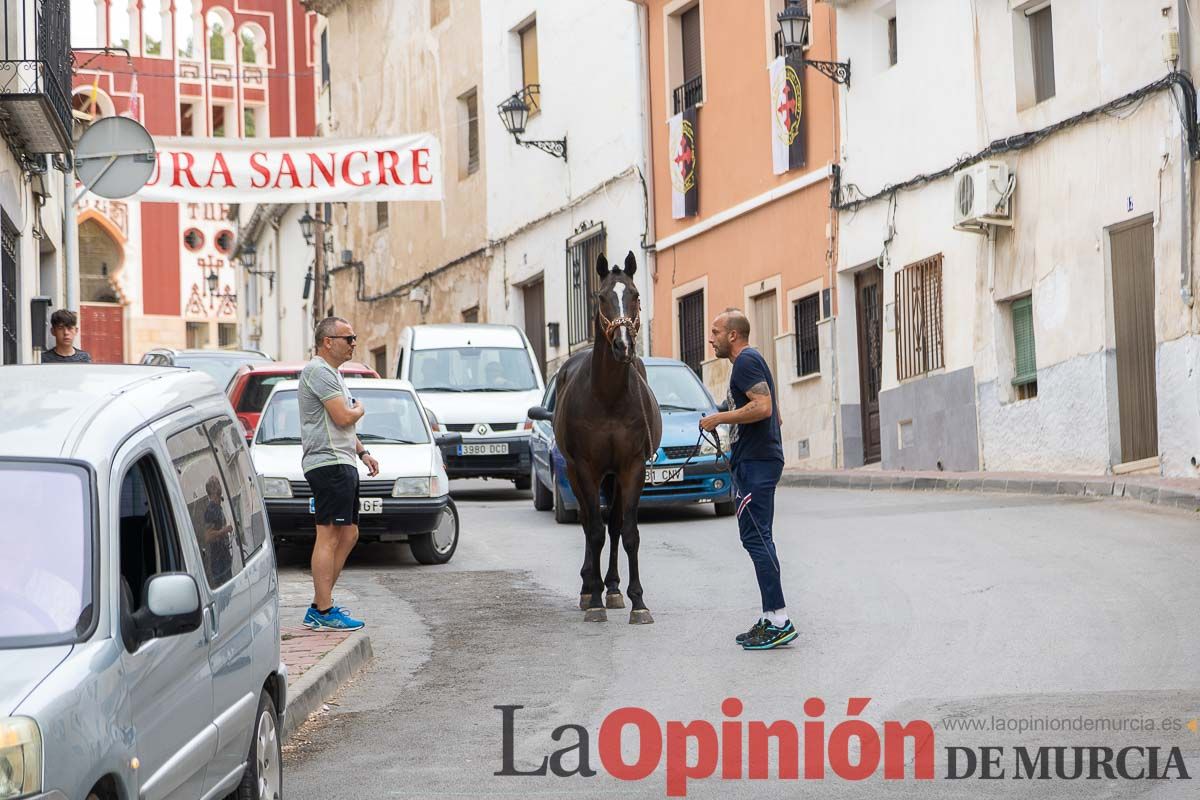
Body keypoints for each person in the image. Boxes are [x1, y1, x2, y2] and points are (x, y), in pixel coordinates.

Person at [699, 308, 795, 651]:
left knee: (758, 539)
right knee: (756, 538)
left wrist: (719, 419)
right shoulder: (750, 364)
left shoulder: (746, 362)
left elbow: (765, 408)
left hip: (758, 464)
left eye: (715, 332)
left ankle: (781, 619)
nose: (710, 339)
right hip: (754, 461)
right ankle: (769, 616)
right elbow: (775, 414)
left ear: (733, 336)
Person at [299, 317, 380, 631]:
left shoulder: (332, 375)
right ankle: (324, 608)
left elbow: (341, 423)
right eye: (348, 338)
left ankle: (321, 604)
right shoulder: (318, 371)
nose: (354, 343)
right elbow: (345, 416)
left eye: (354, 337)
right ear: (327, 341)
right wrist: (360, 409)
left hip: (342, 460)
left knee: (349, 533)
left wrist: (363, 452)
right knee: (330, 534)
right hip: (328, 463)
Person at [202, 475, 235, 586]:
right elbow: (208, 536)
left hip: (223, 557)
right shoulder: (211, 509)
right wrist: (224, 530)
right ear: (213, 489)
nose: (220, 486)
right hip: (218, 561)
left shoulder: (217, 507)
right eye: (218, 484)